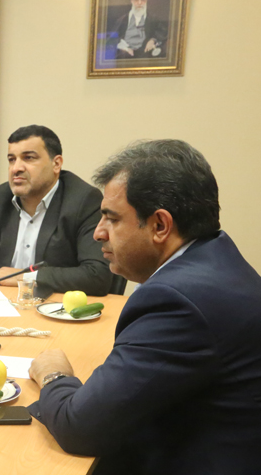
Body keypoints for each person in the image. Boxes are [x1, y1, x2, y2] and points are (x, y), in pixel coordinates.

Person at [28, 140, 261, 474]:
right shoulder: (215, 257)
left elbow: (80, 428)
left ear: (160, 226)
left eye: (111, 219)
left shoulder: (178, 301)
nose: (98, 233)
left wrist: (54, 375)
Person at [0, 125, 111, 295]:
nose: (16, 168)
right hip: (0, 301)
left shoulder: (83, 201)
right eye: (12, 159)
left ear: (56, 164)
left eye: (28, 158)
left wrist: (26, 277)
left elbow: (97, 275)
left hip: (54, 305)